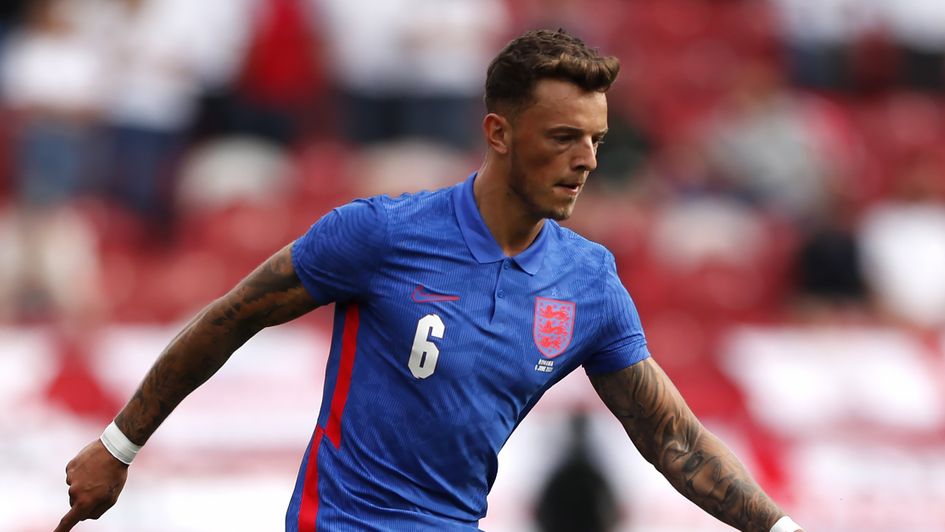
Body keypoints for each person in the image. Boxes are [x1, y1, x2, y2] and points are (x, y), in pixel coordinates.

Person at [56, 29, 804, 532]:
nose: (587, 161)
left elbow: (673, 438)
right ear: (499, 133)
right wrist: (120, 445)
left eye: (595, 140)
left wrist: (779, 529)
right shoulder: (381, 235)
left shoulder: (587, 283)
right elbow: (231, 317)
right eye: (563, 138)